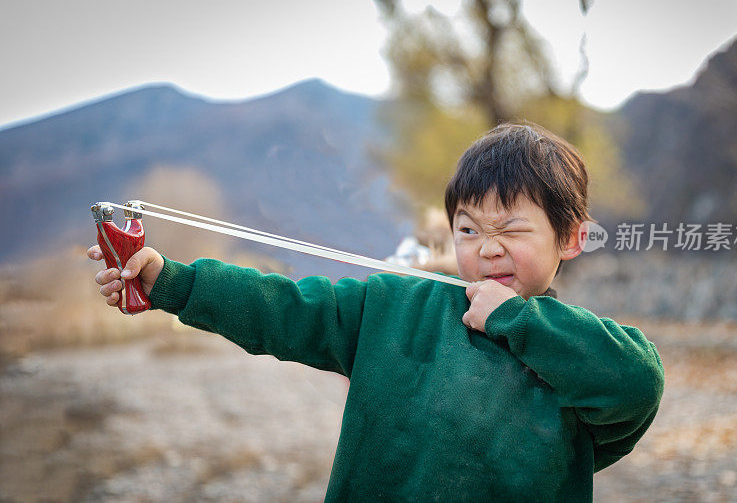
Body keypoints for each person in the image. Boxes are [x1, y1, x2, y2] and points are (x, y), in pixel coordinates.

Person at [88, 122, 665, 502]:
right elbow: (285, 309)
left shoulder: (574, 350)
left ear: (572, 237)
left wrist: (516, 319)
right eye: (468, 229)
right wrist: (171, 281)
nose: (487, 247)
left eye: (511, 229)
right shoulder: (397, 307)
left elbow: (638, 383)